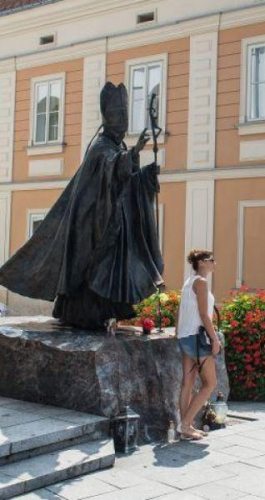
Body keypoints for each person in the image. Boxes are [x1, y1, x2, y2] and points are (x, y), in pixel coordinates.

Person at [0, 82, 163, 331]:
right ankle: (84, 314)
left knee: (110, 267)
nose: (122, 122)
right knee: (93, 270)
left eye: (124, 117)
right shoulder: (100, 148)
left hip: (113, 225)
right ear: (107, 118)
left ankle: (107, 312)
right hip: (92, 226)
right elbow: (110, 170)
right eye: (118, 117)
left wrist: (146, 176)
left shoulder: (116, 148)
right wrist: (131, 156)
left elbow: (125, 183)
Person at [175, 250, 220, 441]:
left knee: (188, 383)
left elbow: (180, 310)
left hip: (186, 336)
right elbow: (204, 315)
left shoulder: (188, 282)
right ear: (201, 262)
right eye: (211, 261)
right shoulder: (200, 283)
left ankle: (186, 427)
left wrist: (178, 331)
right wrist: (215, 339)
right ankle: (185, 424)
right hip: (197, 337)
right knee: (210, 383)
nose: (214, 264)